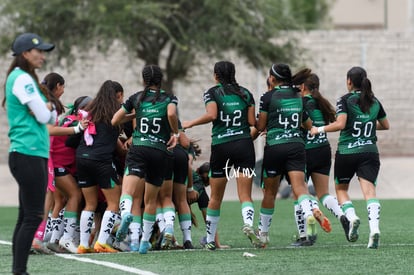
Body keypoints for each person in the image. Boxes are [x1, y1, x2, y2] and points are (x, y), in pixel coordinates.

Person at [182, 60, 259, 250]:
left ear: (216, 75)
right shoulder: (246, 93)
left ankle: (209, 240)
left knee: (216, 197)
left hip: (222, 147)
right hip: (244, 145)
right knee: (245, 194)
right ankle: (248, 224)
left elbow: (212, 115)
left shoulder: (212, 92)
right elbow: (252, 123)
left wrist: (190, 123)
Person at [310, 66, 389, 249]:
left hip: (347, 153)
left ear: (349, 81)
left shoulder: (345, 100)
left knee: (341, 190)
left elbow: (340, 124)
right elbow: (385, 125)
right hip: (370, 152)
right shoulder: (374, 100)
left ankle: (352, 217)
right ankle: (374, 229)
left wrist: (319, 129)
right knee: (370, 193)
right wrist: (366, 124)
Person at [254, 64, 327, 247]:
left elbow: (261, 126)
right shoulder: (298, 96)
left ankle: (263, 235)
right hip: (296, 147)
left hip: (275, 148)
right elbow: (309, 125)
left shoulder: (268, 96)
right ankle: (309, 214)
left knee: (269, 192)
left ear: (272, 79)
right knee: (300, 188)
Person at [112, 64, 179, 254]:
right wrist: (175, 131)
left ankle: (125, 215)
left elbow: (115, 120)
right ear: (161, 80)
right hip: (159, 150)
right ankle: (144, 243)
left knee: (128, 191)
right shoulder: (169, 97)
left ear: (144, 80)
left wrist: (136, 114)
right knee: (150, 200)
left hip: (139, 148)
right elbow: (172, 113)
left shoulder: (136, 98)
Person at [3, 32, 55, 275]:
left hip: (27, 153)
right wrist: (48, 107)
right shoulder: (22, 78)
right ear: (25, 53)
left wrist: (46, 108)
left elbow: (46, 114)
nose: (42, 56)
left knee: (26, 215)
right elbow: (46, 116)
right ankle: (20, 271)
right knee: (33, 216)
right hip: (28, 153)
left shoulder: (21, 77)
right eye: (39, 51)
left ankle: (18, 271)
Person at [76, 80, 124, 253]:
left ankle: (83, 245)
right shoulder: (116, 112)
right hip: (101, 161)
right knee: (114, 202)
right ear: (118, 95)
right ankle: (101, 242)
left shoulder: (90, 111)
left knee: (89, 204)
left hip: (82, 158)